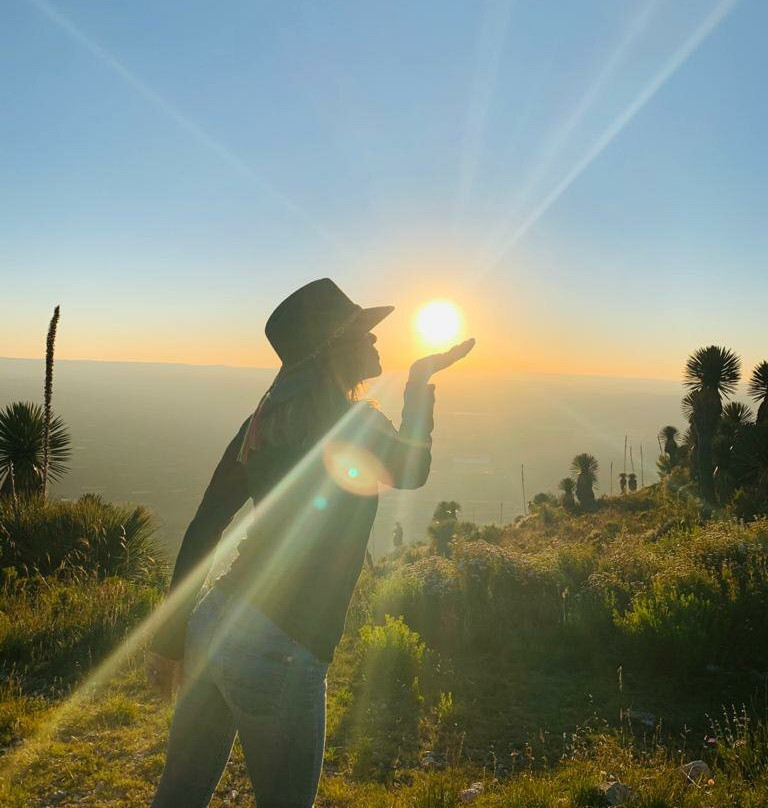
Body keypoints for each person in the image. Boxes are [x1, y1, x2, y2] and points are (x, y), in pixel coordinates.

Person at [145, 278, 474, 808]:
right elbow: (414, 468)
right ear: (332, 350)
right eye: (363, 335)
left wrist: (168, 638)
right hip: (280, 646)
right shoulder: (353, 425)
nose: (375, 343)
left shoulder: (259, 426)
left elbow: (205, 527)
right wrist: (419, 381)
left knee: (179, 794)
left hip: (214, 622)